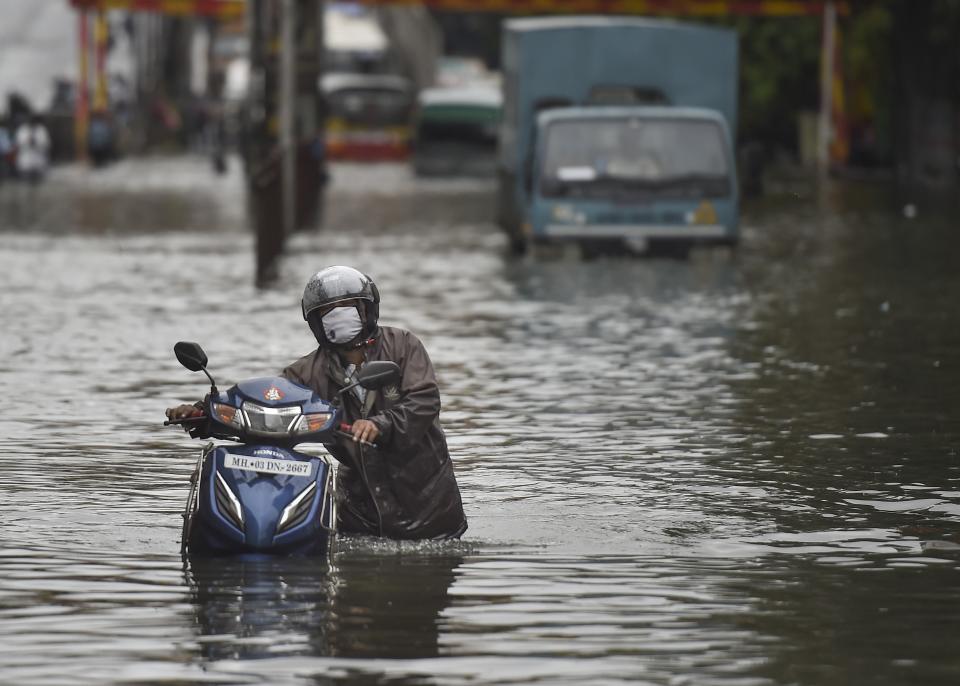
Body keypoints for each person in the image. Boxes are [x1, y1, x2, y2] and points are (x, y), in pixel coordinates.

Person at [166, 266, 468, 541]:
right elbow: (266, 407)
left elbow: (424, 401)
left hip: (426, 503)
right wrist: (203, 415)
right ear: (315, 322)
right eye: (328, 311)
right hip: (359, 510)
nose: (338, 315)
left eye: (346, 308)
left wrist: (380, 424)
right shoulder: (305, 373)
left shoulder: (403, 346)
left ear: (367, 309)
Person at [14, 114, 51, 183]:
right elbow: (18, 143)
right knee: (25, 185)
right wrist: (27, 142)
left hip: (38, 163)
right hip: (25, 163)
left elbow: (47, 143)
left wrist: (36, 142)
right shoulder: (22, 130)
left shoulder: (41, 130)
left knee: (39, 186)